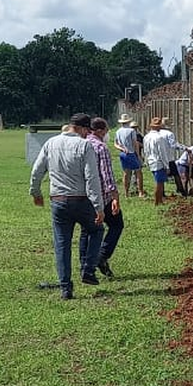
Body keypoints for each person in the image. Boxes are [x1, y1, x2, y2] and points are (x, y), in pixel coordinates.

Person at [29, 114, 104, 299]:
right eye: (88, 131)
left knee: (62, 244)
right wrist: (98, 206)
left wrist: (35, 192)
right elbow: (91, 177)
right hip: (80, 199)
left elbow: (37, 170)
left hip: (58, 201)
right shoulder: (84, 145)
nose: (88, 135)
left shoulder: (50, 143)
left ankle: (65, 288)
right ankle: (88, 269)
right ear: (82, 128)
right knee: (96, 230)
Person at [79, 117, 124, 280]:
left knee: (86, 230)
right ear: (98, 131)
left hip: (83, 195)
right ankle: (101, 256)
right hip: (102, 196)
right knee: (116, 224)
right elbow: (106, 174)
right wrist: (115, 196)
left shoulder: (81, 144)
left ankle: (84, 265)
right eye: (105, 131)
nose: (106, 134)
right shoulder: (100, 147)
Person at [143, 117, 186, 205]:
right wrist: (166, 166)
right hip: (159, 162)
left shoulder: (146, 137)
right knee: (159, 183)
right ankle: (157, 202)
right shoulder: (160, 138)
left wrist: (146, 161)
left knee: (159, 182)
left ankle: (160, 201)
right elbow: (162, 153)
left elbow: (145, 150)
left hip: (151, 161)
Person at [114, 115, 144, 198]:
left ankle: (126, 193)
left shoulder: (118, 131)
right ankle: (140, 192)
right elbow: (135, 143)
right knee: (138, 172)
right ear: (128, 122)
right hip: (131, 152)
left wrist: (122, 148)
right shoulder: (131, 131)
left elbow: (115, 144)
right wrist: (138, 155)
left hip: (123, 154)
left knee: (126, 173)